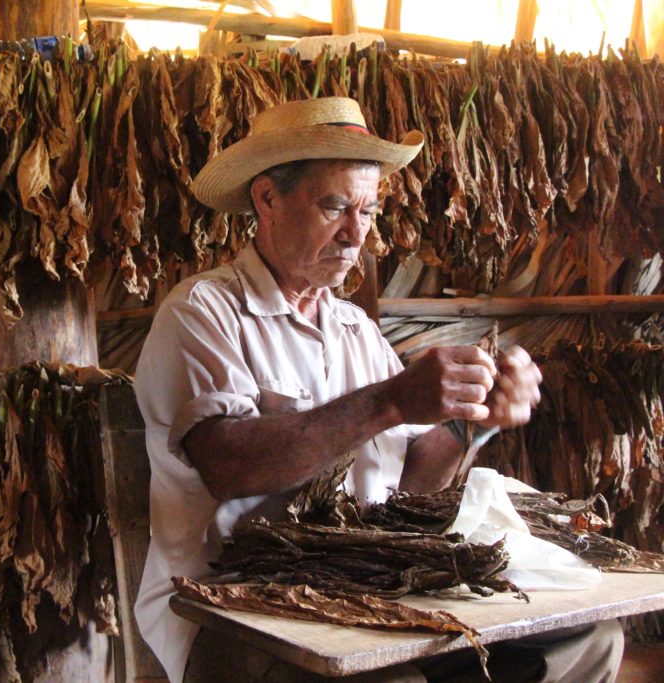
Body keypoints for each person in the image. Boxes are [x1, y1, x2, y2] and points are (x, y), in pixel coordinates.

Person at [132, 97, 623, 683]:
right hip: (232, 607)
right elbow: (228, 466)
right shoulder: (203, 311)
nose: (354, 233)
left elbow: (409, 484)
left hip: (365, 592)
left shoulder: (356, 330)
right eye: (334, 206)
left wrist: (471, 420)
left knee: (590, 643)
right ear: (266, 198)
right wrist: (389, 401)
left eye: (367, 211)